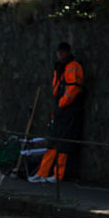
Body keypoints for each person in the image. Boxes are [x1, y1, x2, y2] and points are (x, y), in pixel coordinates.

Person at [29, 42, 85, 183]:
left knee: (63, 144)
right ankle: (42, 173)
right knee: (52, 142)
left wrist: (61, 103)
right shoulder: (60, 67)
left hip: (69, 109)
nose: (60, 55)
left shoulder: (73, 67)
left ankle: (57, 175)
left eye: (62, 52)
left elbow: (73, 89)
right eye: (58, 52)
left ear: (68, 52)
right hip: (61, 109)